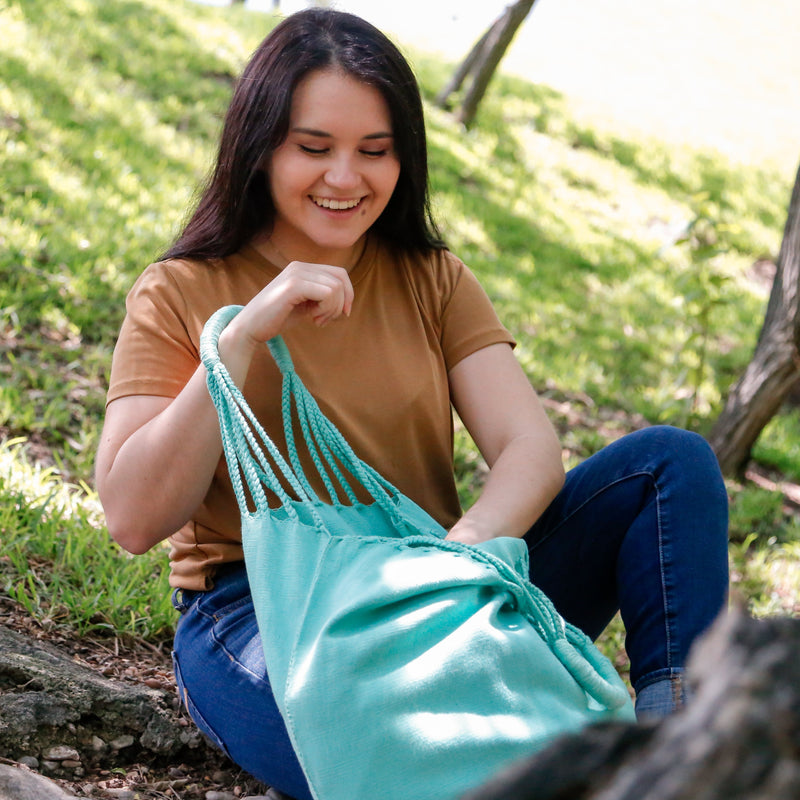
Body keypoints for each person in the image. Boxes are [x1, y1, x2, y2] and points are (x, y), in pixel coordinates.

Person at [95, 8, 729, 800]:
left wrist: (457, 560)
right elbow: (130, 517)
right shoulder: (181, 292)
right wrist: (241, 339)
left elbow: (529, 450)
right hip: (266, 616)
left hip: (443, 590)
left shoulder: (432, 278)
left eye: (376, 151)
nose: (344, 178)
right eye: (314, 148)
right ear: (260, 149)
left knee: (669, 465)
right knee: (428, 750)